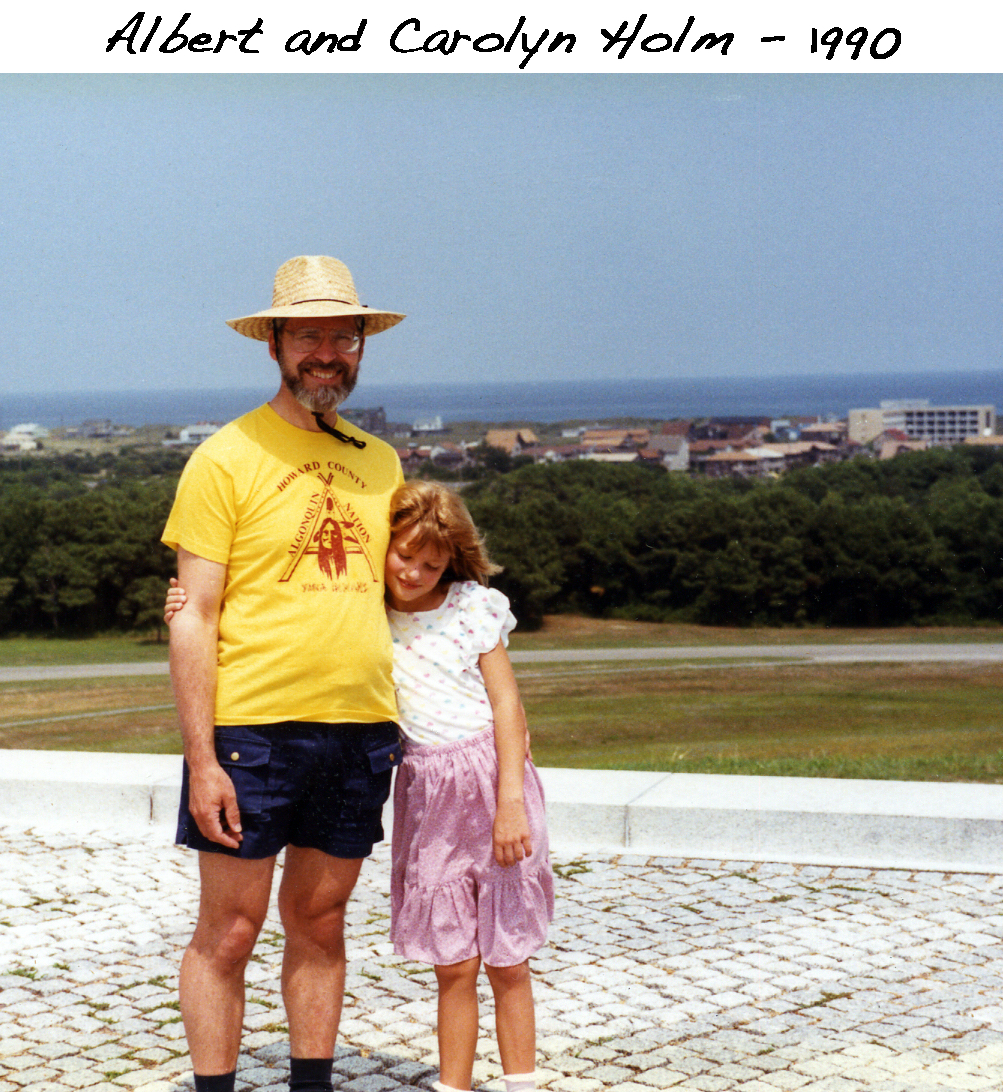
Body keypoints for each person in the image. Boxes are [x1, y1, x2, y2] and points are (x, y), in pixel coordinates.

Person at [168, 481, 554, 1092]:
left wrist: (510, 800)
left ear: (451, 561)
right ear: (381, 548)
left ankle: (522, 1079)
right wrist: (188, 605)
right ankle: (452, 1085)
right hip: (426, 789)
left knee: (506, 954)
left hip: (489, 785)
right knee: (453, 957)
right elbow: (285, 596)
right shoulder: (369, 606)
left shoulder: (472, 607)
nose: (416, 572)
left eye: (432, 564)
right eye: (405, 556)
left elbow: (509, 707)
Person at [161, 255, 406, 1092]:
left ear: (363, 346)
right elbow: (193, 611)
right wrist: (202, 760)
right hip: (252, 731)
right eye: (308, 334)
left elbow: (407, 587)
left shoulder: (381, 462)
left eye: (344, 335)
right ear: (273, 344)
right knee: (229, 932)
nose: (327, 351)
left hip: (361, 729)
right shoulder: (225, 456)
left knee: (322, 921)